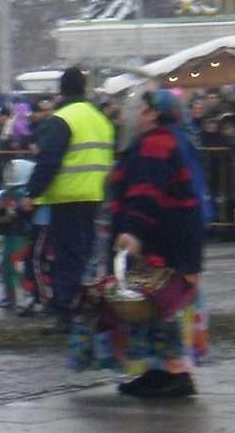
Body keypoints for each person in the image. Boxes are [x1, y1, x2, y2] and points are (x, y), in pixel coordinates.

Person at [71, 89, 208, 399]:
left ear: (152, 114)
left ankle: (174, 373)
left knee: (159, 304)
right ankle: (158, 371)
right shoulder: (173, 139)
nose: (132, 113)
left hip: (160, 243)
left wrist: (133, 231)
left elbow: (147, 192)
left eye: (138, 108)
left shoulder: (157, 143)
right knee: (159, 306)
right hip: (173, 241)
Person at [18, 68, 114, 323]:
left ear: (62, 90)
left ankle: (66, 310)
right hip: (94, 195)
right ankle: (85, 306)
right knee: (86, 254)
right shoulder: (100, 119)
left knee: (66, 256)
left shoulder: (62, 119)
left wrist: (31, 193)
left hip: (67, 196)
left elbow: (48, 160)